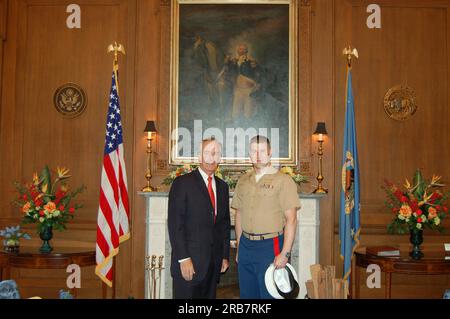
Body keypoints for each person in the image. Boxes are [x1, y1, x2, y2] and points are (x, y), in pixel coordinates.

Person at [231, 135, 300, 299]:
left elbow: (292, 219)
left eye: (262, 150)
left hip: (270, 246)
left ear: (270, 153)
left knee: (269, 296)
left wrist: (285, 253)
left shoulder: (283, 181)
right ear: (249, 155)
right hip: (246, 246)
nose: (258, 155)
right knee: (248, 297)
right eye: (254, 151)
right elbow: (239, 214)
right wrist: (240, 246)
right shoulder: (243, 180)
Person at [168, 138, 231, 299]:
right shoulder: (182, 183)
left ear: (220, 158)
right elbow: (176, 225)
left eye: (216, 153)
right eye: (208, 153)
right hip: (189, 265)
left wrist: (224, 255)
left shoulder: (223, 187)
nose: (212, 157)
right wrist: (184, 259)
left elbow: (224, 224)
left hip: (213, 264)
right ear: (199, 157)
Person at [223, 44, 261, 120]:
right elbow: (228, 70)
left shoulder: (251, 61)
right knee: (236, 111)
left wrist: (257, 85)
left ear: (246, 51)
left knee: (248, 112)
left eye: (242, 49)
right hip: (238, 89)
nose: (240, 50)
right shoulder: (235, 61)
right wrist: (227, 62)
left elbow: (258, 73)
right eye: (239, 49)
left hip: (248, 89)